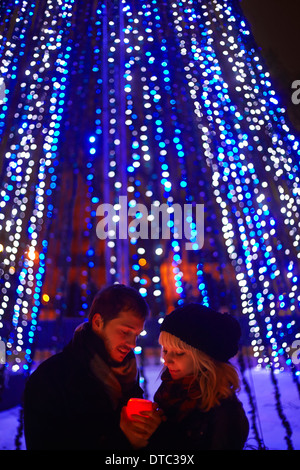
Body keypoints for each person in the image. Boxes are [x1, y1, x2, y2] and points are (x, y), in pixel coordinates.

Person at [23, 284, 162, 450]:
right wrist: (124, 441)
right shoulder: (50, 378)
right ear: (98, 322)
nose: (133, 344)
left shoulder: (127, 373)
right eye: (125, 332)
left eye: (137, 335)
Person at [148, 303, 249, 450]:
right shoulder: (170, 391)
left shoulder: (225, 413)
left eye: (179, 353)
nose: (167, 360)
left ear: (204, 358)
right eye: (165, 350)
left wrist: (161, 434)